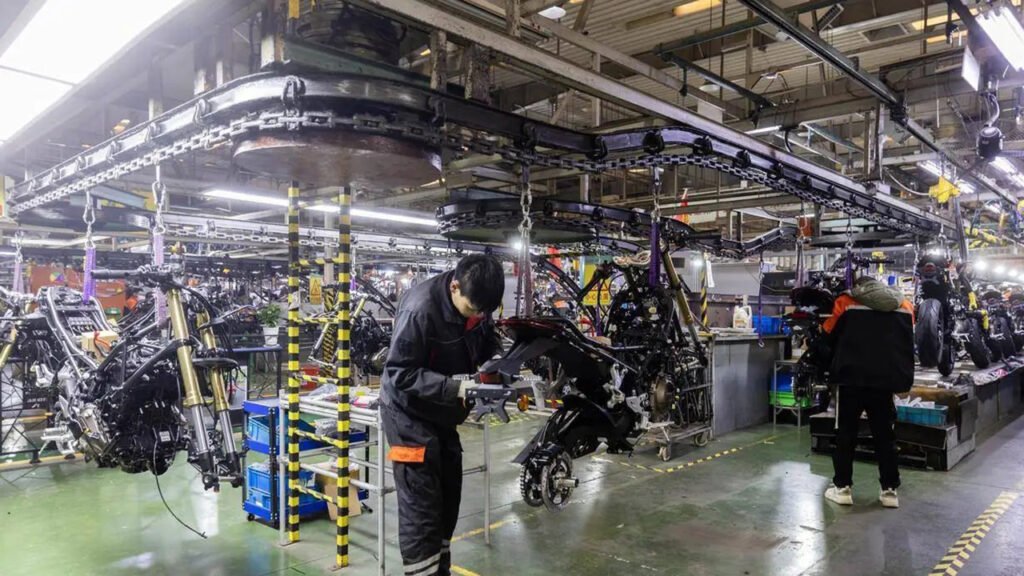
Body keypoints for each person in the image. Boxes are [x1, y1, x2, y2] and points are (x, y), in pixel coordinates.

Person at [380, 254, 505, 576]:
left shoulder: (477, 303)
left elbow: (486, 340)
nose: (479, 317)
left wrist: (500, 363)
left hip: (444, 414)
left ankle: (440, 570)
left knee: (448, 497)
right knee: (422, 508)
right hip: (408, 417)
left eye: (484, 312)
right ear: (454, 286)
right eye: (473, 310)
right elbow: (399, 373)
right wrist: (455, 388)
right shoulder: (419, 310)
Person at [822, 275, 914, 508]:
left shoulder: (846, 301)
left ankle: (842, 488)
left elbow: (828, 331)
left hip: (851, 378)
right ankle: (889, 490)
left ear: (860, 286)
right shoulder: (904, 304)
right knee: (885, 436)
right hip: (885, 380)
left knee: (846, 434)